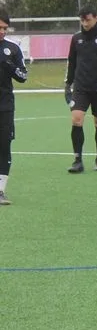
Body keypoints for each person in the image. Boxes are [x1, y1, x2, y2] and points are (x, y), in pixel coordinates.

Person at [64, 4, 97, 173]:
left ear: (96, 18)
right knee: (76, 119)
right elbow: (71, 62)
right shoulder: (76, 38)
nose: (85, 24)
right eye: (82, 20)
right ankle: (77, 161)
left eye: (88, 20)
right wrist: (67, 84)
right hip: (80, 87)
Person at [0, 10, 28, 206]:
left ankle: (0, 190)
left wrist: (9, 65)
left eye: (4, 28)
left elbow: (23, 76)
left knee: (4, 146)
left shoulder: (13, 49)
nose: (2, 31)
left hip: (5, 106)